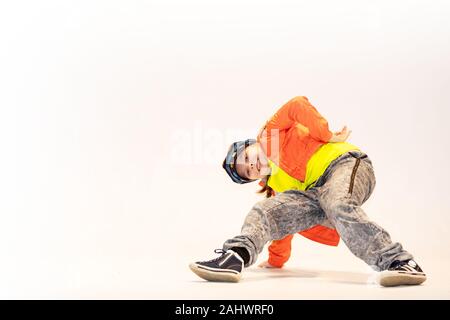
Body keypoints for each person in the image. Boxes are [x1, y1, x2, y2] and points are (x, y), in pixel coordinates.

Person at [189, 96, 426, 287]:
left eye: (248, 158)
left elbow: (297, 105)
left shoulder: (270, 136)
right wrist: (276, 261)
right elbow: (283, 228)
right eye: (248, 171)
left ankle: (399, 261)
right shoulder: (276, 186)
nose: (251, 166)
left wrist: (327, 135)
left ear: (253, 144)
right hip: (318, 193)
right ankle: (236, 256)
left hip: (344, 164)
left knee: (336, 202)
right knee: (265, 210)